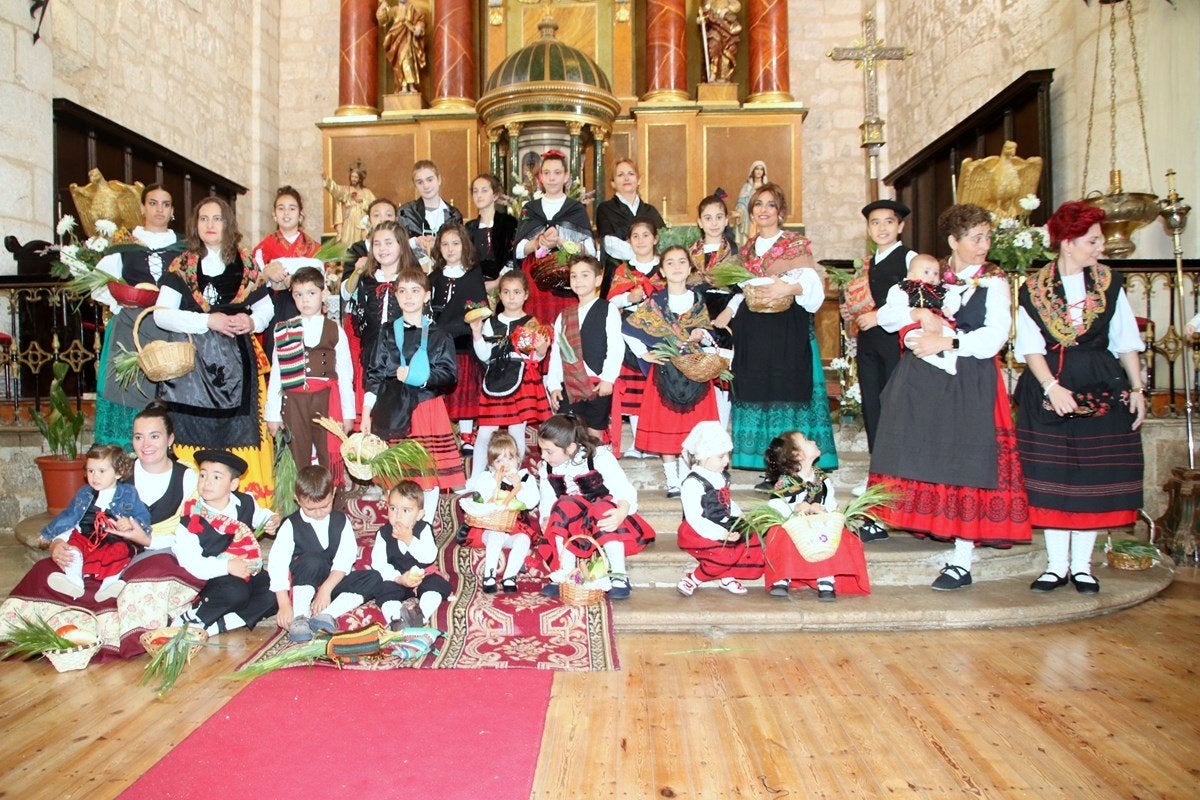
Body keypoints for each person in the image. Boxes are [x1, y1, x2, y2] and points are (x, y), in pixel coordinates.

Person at [869, 204, 1032, 590]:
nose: (984, 245)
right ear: (953, 241)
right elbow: (892, 316)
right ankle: (886, 516)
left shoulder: (994, 281)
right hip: (925, 375)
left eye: (988, 236)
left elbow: (995, 336)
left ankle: (962, 559)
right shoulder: (926, 274)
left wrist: (947, 339)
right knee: (912, 452)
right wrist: (915, 335)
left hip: (970, 378)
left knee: (967, 463)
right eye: (976, 238)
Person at [1014, 201, 1147, 594]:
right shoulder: (1034, 288)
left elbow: (1126, 340)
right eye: (1093, 241)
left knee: (1094, 475)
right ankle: (1056, 566)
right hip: (1049, 384)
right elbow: (1030, 346)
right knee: (1052, 477)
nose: (1100, 247)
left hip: (1101, 382)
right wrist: (1051, 387)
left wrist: (1137, 388)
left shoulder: (1110, 283)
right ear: (1068, 243)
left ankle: (1083, 567)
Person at [0, 404, 203, 661]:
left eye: (155, 436)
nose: (146, 444)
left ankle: (119, 635)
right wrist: (57, 544)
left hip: (162, 549)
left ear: (170, 439)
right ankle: (51, 634)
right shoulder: (114, 470)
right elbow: (79, 513)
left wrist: (145, 539)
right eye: (138, 436)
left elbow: (194, 533)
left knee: (147, 578)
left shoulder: (188, 479)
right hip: (97, 548)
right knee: (43, 571)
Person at [712, 183, 837, 479]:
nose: (763, 210)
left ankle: (795, 469)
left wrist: (788, 287)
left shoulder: (794, 244)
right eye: (758, 204)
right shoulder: (747, 250)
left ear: (780, 212)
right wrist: (728, 311)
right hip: (755, 333)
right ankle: (770, 470)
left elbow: (813, 289)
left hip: (787, 332)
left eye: (770, 204)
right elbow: (743, 291)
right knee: (760, 393)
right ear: (751, 211)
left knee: (787, 392)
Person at [154, 196, 275, 502]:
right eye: (204, 218)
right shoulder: (181, 264)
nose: (210, 225)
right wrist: (209, 320)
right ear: (196, 224)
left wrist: (252, 322)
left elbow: (267, 308)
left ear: (228, 224)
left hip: (240, 364)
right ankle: (191, 505)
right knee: (191, 430)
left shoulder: (246, 261)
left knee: (241, 430)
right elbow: (161, 314)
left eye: (217, 218)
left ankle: (245, 506)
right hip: (193, 364)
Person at [362, 267, 464, 522]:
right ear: (396, 296)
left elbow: (449, 375)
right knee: (396, 475)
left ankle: (425, 525)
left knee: (429, 478)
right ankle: (397, 525)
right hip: (392, 409)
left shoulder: (439, 335)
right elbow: (374, 373)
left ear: (427, 296)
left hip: (426, 408)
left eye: (415, 291)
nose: (409, 297)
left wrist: (421, 377)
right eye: (403, 291)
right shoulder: (386, 333)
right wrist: (366, 413)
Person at [91, 183, 187, 449]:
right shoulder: (125, 245)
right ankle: (125, 454)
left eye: (165, 204)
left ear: (172, 211)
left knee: (171, 392)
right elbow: (97, 283)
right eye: (153, 203)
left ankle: (170, 452)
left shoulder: (184, 248)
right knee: (127, 391)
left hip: (169, 329)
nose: (159, 209)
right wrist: (121, 301)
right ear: (143, 207)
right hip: (130, 329)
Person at [622, 245, 721, 497]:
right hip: (665, 372)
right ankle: (672, 480)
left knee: (694, 427)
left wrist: (703, 335)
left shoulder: (698, 302)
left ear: (689, 268)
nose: (676, 267)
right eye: (670, 263)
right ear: (663, 270)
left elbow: (708, 335)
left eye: (681, 262)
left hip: (695, 372)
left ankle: (691, 477)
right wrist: (644, 353)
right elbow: (628, 328)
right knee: (666, 425)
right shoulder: (654, 303)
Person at [536, 414, 655, 601]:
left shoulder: (598, 457)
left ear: (571, 448)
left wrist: (621, 511)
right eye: (541, 450)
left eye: (549, 451)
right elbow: (547, 499)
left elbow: (623, 489)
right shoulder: (547, 467)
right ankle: (564, 572)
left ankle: (619, 575)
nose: (543, 456)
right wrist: (545, 518)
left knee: (601, 508)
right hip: (574, 523)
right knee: (562, 504)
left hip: (602, 519)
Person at [268, 466, 384, 642]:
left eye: (324, 506)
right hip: (303, 586)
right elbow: (278, 564)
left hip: (330, 585)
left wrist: (326, 590)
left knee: (374, 577)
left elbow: (345, 560)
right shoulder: (290, 525)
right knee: (313, 560)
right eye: (310, 509)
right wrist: (284, 605)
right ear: (297, 499)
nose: (318, 513)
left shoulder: (340, 521)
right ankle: (301, 617)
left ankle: (325, 616)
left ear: (334, 493)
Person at [172, 450, 281, 635]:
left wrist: (273, 520)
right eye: (203, 475)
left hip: (248, 570)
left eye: (216, 477)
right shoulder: (190, 521)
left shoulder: (245, 502)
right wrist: (228, 566)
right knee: (236, 591)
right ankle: (195, 617)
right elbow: (192, 563)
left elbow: (263, 516)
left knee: (275, 592)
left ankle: (220, 625)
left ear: (233, 484)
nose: (207, 482)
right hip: (215, 577)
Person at [846, 199, 915, 489]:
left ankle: (903, 474)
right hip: (869, 344)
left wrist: (879, 316)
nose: (882, 227)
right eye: (875, 222)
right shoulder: (866, 264)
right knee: (872, 405)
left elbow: (921, 301)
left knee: (897, 405)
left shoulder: (911, 259)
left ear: (900, 226)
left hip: (897, 344)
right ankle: (879, 473)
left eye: (889, 221)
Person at [265, 267, 355, 478]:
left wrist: (348, 412)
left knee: (328, 454)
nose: (305, 300)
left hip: (326, 400)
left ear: (323, 294)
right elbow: (277, 375)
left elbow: (344, 373)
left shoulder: (335, 330)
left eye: (311, 293)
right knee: (297, 453)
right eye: (298, 294)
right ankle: (298, 503)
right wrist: (272, 414)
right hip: (294, 401)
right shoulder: (285, 329)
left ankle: (330, 500)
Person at [761, 432, 870, 601]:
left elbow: (831, 502)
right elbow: (775, 505)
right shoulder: (787, 482)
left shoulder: (822, 479)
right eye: (805, 440)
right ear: (797, 454)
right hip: (794, 525)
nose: (812, 440)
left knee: (832, 536)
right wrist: (795, 508)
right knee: (780, 533)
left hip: (818, 524)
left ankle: (826, 578)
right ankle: (783, 576)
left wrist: (824, 510)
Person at [41, 444, 152, 602]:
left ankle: (109, 585)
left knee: (119, 552)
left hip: (113, 539)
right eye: (90, 470)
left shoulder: (128, 493)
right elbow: (69, 515)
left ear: (118, 473)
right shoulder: (84, 492)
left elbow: (143, 515)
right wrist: (49, 533)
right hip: (86, 537)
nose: (95, 476)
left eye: (101, 471)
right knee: (71, 550)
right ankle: (74, 581)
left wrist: (131, 523)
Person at [468, 270, 552, 479]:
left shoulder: (532, 322)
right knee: (485, 433)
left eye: (516, 292)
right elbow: (485, 356)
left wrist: (541, 349)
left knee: (516, 431)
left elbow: (537, 358)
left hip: (521, 378)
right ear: (499, 295)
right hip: (495, 378)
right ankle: (478, 477)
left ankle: (514, 475)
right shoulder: (490, 323)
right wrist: (477, 334)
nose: (511, 297)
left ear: (525, 295)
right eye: (506, 292)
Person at [675, 421, 763, 596]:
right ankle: (693, 578)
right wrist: (720, 534)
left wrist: (738, 515)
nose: (727, 461)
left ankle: (727, 575)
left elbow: (726, 501)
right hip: (699, 529)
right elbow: (695, 518)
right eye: (721, 456)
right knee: (724, 552)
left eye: (727, 455)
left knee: (752, 539)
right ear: (703, 455)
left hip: (723, 522)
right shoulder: (693, 483)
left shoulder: (720, 477)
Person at [544, 256, 624, 440]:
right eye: (574, 276)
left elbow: (616, 347)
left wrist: (608, 379)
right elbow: (557, 353)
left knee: (595, 434)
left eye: (585, 275)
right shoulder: (564, 315)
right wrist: (554, 385)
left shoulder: (608, 309)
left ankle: (595, 468)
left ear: (597, 280)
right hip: (570, 385)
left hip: (597, 384)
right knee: (566, 434)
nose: (578, 280)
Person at [513, 150, 597, 324]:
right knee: (536, 329)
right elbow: (519, 250)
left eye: (557, 173)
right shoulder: (530, 208)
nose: (552, 178)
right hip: (534, 279)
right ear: (540, 178)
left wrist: (561, 241)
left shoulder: (576, 209)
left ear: (566, 176)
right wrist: (537, 242)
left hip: (566, 278)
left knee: (566, 328)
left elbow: (589, 251)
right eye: (547, 173)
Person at [606, 217, 666, 456]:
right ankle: (638, 443)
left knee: (655, 387)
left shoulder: (663, 267)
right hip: (629, 334)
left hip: (659, 332)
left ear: (655, 239)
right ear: (629, 241)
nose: (641, 240)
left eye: (645, 235)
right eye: (635, 236)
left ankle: (652, 441)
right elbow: (610, 301)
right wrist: (628, 299)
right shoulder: (623, 270)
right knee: (632, 388)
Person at [428, 221, 488, 453]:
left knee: (464, 394)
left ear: (464, 245)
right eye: (445, 244)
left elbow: (479, 308)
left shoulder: (472, 275)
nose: (450, 249)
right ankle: (441, 434)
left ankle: (466, 435)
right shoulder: (434, 277)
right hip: (440, 347)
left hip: (463, 344)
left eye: (455, 243)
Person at [459, 431, 541, 593]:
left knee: (524, 539)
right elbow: (482, 498)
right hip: (487, 528)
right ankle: (489, 576)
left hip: (513, 526)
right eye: (499, 460)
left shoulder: (525, 478)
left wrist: (519, 487)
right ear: (491, 464)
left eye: (510, 458)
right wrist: (496, 481)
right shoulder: (486, 477)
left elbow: (532, 502)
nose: (506, 464)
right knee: (496, 534)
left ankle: (509, 577)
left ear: (518, 460)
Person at [253, 186, 323, 358]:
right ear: (274, 214)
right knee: (277, 356)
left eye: (292, 208)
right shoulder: (264, 247)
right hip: (275, 309)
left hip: (305, 308)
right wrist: (267, 274)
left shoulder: (314, 248)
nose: (286, 213)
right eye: (281, 208)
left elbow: (322, 282)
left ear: (300, 215)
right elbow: (253, 283)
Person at [372, 480, 453, 629]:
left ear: (419, 514)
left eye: (406, 510)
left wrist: (409, 539)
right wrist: (399, 578)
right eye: (393, 508)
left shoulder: (423, 529)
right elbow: (378, 564)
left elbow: (429, 556)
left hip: (423, 575)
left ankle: (420, 616)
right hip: (397, 579)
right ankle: (395, 620)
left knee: (437, 585)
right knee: (384, 589)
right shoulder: (383, 534)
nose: (397, 515)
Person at [688, 193, 739, 427]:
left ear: (727, 219)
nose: (714, 222)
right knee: (700, 370)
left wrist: (728, 312)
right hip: (698, 311)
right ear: (699, 222)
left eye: (719, 217)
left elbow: (742, 288)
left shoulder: (734, 253)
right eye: (708, 218)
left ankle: (721, 422)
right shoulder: (691, 254)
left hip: (724, 314)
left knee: (722, 371)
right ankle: (703, 424)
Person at [594, 159, 665, 293]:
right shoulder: (605, 209)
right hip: (618, 276)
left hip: (651, 274)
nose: (626, 178)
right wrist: (644, 252)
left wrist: (645, 259)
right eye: (620, 175)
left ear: (639, 180)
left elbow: (662, 242)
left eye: (630, 174)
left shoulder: (650, 211)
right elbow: (610, 245)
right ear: (613, 183)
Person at [890, 253, 963, 375]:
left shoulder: (940, 289)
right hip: (914, 324)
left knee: (951, 335)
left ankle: (950, 362)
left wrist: (949, 309)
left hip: (939, 322)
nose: (932, 277)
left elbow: (954, 298)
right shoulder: (905, 288)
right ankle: (938, 362)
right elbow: (894, 302)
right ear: (911, 275)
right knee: (913, 340)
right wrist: (909, 311)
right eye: (926, 272)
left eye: (935, 273)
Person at [399, 160, 464, 267]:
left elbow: (461, 248)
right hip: (413, 272)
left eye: (429, 180)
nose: (426, 186)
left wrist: (439, 244)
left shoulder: (454, 215)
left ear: (439, 179)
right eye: (420, 182)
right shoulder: (405, 212)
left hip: (445, 271)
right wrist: (415, 243)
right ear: (415, 185)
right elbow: (397, 246)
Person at [465, 173, 518, 292]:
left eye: (484, 191)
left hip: (505, 285)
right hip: (476, 286)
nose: (479, 195)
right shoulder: (469, 227)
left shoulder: (508, 222)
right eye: (475, 191)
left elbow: (513, 256)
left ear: (495, 195)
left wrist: (497, 282)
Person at [324, 165, 376, 247]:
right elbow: (336, 190)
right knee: (346, 245)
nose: (353, 179)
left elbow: (375, 206)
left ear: (360, 179)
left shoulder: (367, 192)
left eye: (356, 177)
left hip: (362, 225)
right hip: (349, 223)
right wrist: (326, 179)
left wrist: (362, 200)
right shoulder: (346, 190)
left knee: (361, 245)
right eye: (352, 176)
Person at [732, 160, 767, 243]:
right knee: (750, 241)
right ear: (753, 171)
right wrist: (740, 212)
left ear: (764, 172)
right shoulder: (747, 187)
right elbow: (741, 203)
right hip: (749, 218)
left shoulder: (766, 187)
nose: (759, 171)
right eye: (757, 169)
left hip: (762, 217)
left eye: (761, 169)